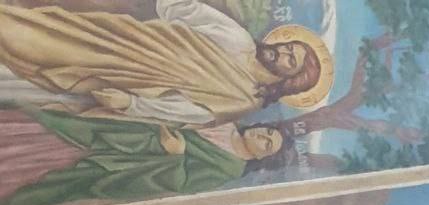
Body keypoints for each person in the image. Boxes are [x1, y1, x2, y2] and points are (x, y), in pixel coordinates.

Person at [0, 0, 330, 126]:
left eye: (290, 60)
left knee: (41, 50)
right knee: (50, 28)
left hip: (127, 76)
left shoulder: (241, 99)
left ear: (289, 81)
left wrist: (131, 104)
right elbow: (183, 8)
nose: (281, 52)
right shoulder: (240, 40)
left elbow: (185, 111)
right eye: (288, 47)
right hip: (125, 37)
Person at [2, 113, 285, 205]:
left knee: (65, 168)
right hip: (133, 128)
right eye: (268, 131)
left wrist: (176, 154)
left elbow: (181, 184)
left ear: (262, 157)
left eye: (267, 143)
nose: (263, 135)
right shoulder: (228, 121)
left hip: (137, 159)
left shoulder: (228, 169)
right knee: (59, 126)